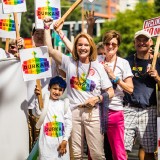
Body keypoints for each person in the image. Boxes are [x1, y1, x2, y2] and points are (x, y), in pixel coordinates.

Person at [43, 16, 114, 160]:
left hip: (92, 114)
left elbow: (110, 92)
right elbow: (50, 50)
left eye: (86, 45)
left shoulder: (98, 67)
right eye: (80, 45)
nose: (83, 48)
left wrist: (97, 98)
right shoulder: (69, 62)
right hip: (73, 113)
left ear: (91, 47)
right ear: (75, 47)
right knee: (75, 154)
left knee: (97, 154)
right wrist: (46, 27)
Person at [123, 30, 160, 160]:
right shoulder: (126, 61)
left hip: (149, 110)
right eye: (139, 40)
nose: (142, 42)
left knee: (149, 150)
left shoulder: (158, 61)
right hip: (128, 109)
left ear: (151, 42)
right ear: (134, 43)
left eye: (145, 40)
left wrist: (158, 78)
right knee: (122, 149)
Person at [99, 30, 133, 160]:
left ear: (118, 46)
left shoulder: (123, 63)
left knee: (119, 153)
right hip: (97, 111)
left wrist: (115, 77)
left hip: (115, 111)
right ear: (104, 45)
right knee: (95, 152)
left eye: (114, 43)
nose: (110, 46)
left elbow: (130, 89)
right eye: (107, 43)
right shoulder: (97, 60)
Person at [35, 76, 72, 160]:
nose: (57, 92)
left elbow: (68, 124)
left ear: (63, 92)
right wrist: (37, 97)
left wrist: (65, 140)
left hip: (61, 146)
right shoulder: (44, 103)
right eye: (55, 88)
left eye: (60, 90)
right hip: (46, 147)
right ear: (49, 88)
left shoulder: (64, 105)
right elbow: (38, 113)